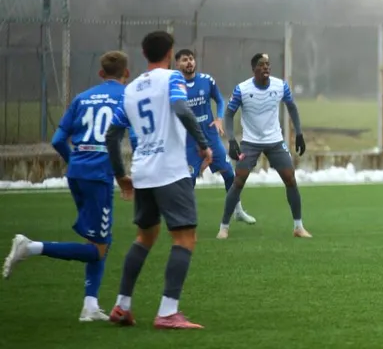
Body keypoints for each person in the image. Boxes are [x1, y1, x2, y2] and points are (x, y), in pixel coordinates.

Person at [2, 51, 131, 322]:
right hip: (99, 175)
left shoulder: (81, 98)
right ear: (126, 73)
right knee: (98, 248)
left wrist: (76, 161)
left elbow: (59, 139)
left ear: (100, 73)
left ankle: (90, 306)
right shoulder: (126, 96)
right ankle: (30, 247)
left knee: (98, 241)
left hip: (77, 173)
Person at [104, 30, 212, 329]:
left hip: (143, 171)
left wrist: (120, 175)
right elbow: (180, 107)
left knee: (145, 237)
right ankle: (167, 312)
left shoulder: (132, 88)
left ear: (144, 53)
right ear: (170, 53)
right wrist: (203, 144)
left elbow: (112, 134)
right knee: (185, 237)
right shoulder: (173, 78)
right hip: (170, 170)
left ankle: (122, 305)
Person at [220, 53, 311, 239]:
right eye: (262, 64)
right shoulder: (242, 89)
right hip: (250, 143)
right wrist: (231, 140)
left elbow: (292, 106)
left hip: (275, 141)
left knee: (290, 179)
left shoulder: (280, 85)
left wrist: (299, 133)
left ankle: (298, 227)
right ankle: (224, 227)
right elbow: (229, 115)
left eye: (268, 64)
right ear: (254, 69)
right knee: (239, 180)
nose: (266, 67)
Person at [175, 49, 256, 225]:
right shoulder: (175, 86)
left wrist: (218, 118)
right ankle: (184, 219)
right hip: (190, 140)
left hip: (211, 136)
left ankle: (238, 211)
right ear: (177, 64)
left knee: (229, 174)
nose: (189, 62)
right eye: (184, 60)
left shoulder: (206, 80)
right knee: (189, 181)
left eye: (191, 59)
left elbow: (219, 100)